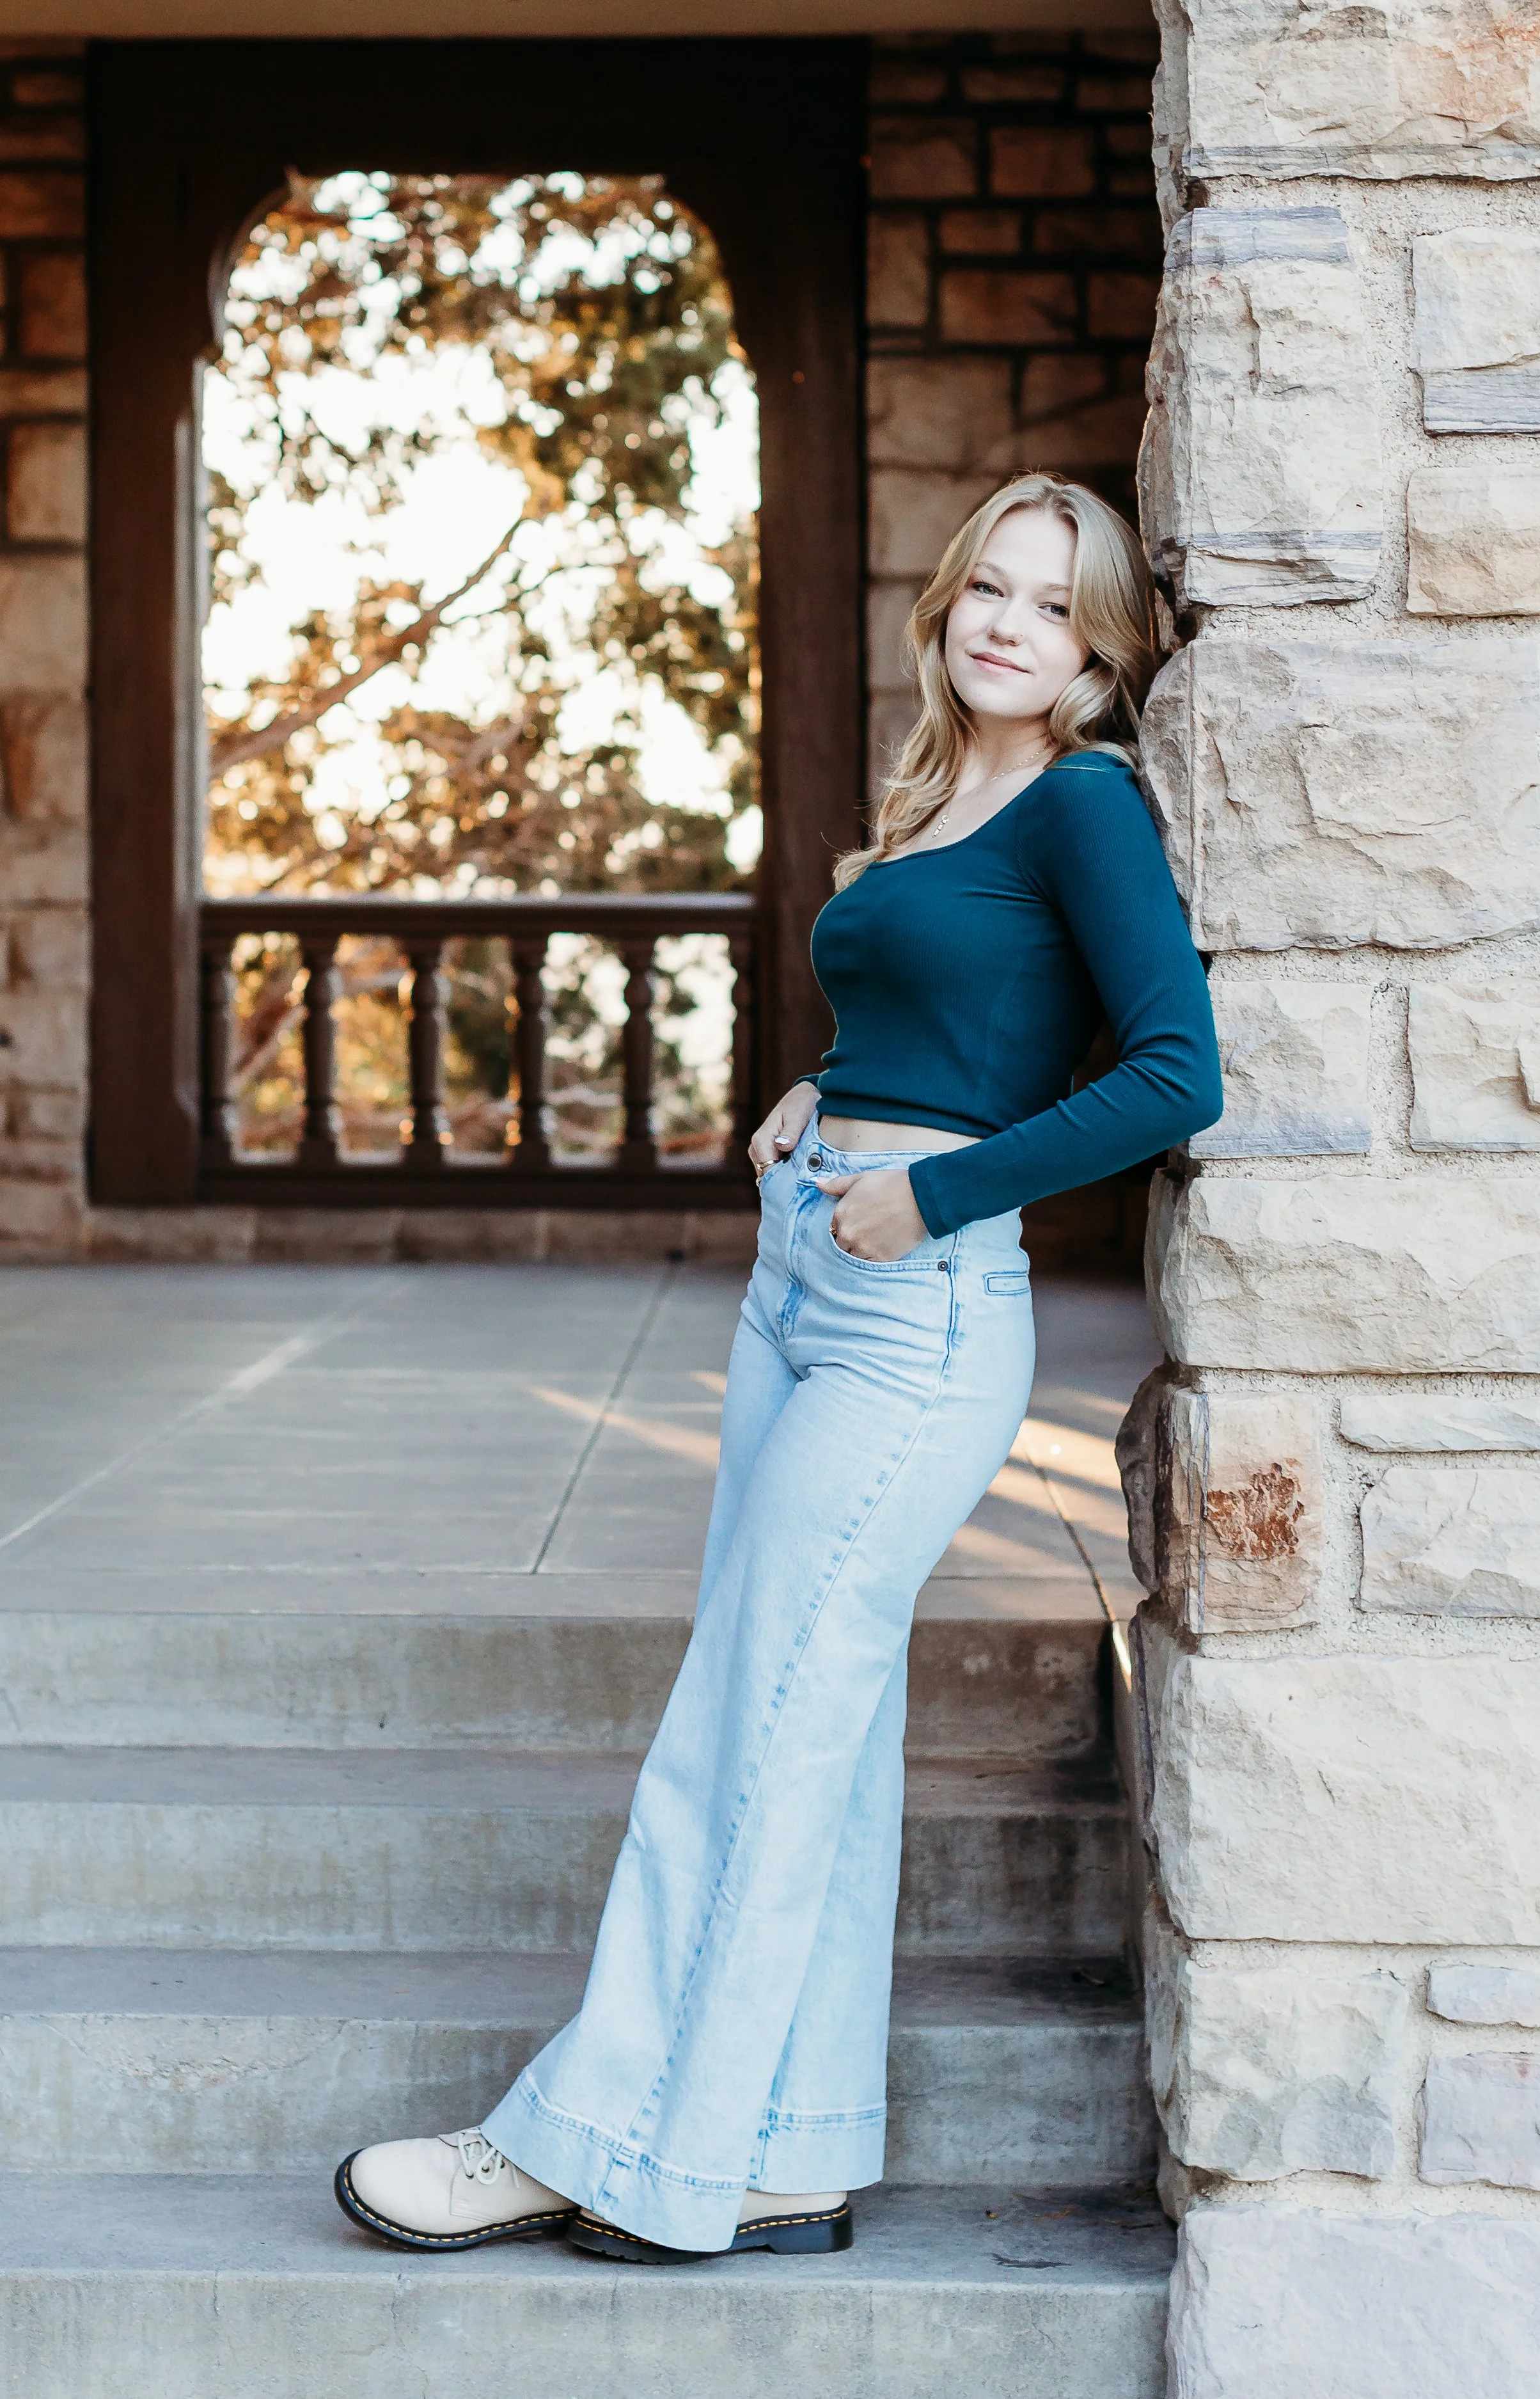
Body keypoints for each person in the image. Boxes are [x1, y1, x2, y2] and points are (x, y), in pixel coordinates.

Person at [333, 470, 1222, 2265]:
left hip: (921, 1307)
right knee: (817, 1711)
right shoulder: (940, 796)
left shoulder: (1086, 806)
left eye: (1051, 604)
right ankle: (788, 2146)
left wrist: (935, 1187)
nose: (1005, 621)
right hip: (804, 1276)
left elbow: (1170, 1074)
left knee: (738, 1721)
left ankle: (594, 2137)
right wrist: (828, 1089)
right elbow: (945, 1020)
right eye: (987, 583)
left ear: (1098, 643)